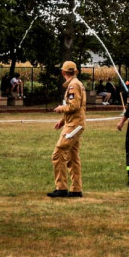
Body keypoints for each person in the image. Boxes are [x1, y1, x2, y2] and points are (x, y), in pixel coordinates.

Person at [49, 61, 86, 198]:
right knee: (72, 157)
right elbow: (77, 108)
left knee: (58, 154)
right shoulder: (77, 84)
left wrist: (60, 109)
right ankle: (76, 189)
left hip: (73, 126)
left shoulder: (73, 85)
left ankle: (61, 188)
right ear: (74, 71)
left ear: (63, 73)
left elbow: (74, 106)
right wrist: (62, 121)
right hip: (74, 124)